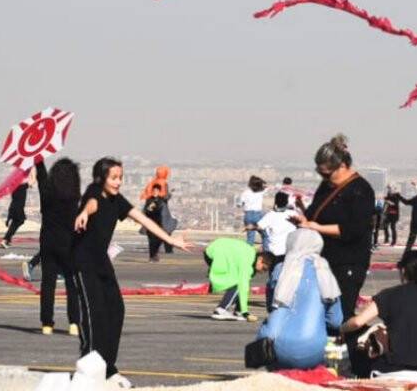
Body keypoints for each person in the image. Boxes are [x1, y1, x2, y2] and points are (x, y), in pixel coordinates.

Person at [71, 157, 192, 386]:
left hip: (101, 262)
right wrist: (84, 213)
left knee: (116, 310)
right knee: (93, 314)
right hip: (83, 263)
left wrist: (170, 239)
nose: (118, 182)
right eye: (114, 178)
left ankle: (108, 367)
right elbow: (90, 205)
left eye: (121, 178)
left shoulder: (117, 201)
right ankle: (89, 368)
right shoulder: (94, 194)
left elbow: (144, 219)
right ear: (101, 178)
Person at [291, 134, 375, 376]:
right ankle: (324, 364)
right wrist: (306, 219)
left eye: (328, 174)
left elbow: (354, 229)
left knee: (343, 315)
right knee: (318, 313)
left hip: (347, 261)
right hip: (322, 259)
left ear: (343, 165)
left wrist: (316, 227)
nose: (325, 179)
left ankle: (362, 361)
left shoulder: (360, 190)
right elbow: (319, 216)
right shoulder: (327, 187)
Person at [340, 250, 417, 376]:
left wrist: (342, 329)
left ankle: (358, 373)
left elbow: (357, 322)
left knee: (355, 332)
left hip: (393, 366)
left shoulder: (390, 294)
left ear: (403, 271)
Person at [256, 229, 344, 369]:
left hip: (276, 348)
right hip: (313, 350)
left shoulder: (280, 269)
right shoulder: (324, 272)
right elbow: (335, 321)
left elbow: (271, 306)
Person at [35, 155, 81, 335]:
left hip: (48, 242)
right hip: (69, 243)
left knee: (48, 283)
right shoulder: (74, 196)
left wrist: (38, 159)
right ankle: (74, 323)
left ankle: (47, 323)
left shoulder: (46, 192)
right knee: (72, 284)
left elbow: (41, 176)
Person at [205, 237, 275, 321]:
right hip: (216, 252)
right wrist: (245, 312)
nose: (262, 272)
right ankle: (221, 310)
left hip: (218, 250)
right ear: (260, 259)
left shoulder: (251, 260)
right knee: (238, 284)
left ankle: (238, 311)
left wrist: (241, 311)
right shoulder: (248, 261)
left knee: (239, 283)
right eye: (264, 268)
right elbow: (243, 286)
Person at [237, 176, 267, 246]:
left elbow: (239, 204)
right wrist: (261, 182)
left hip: (248, 215)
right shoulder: (261, 192)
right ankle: (266, 252)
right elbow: (266, 186)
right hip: (258, 215)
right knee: (265, 235)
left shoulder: (245, 193)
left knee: (250, 237)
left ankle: (249, 253)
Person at [1, 176, 29, 249]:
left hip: (14, 207)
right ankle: (5, 239)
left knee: (17, 222)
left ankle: (8, 240)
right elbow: (31, 182)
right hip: (18, 208)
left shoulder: (14, 188)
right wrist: (34, 170)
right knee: (18, 222)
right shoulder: (22, 186)